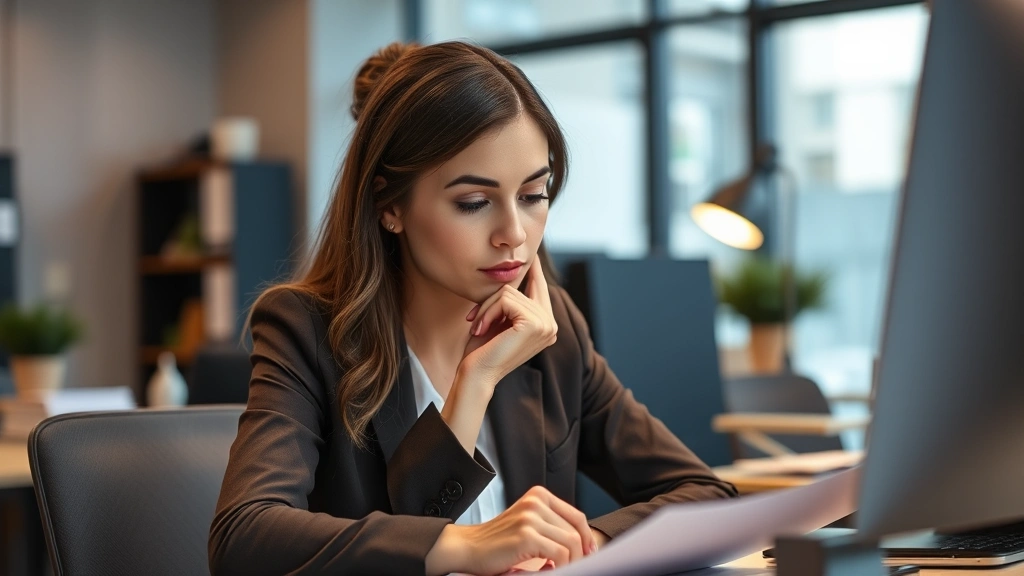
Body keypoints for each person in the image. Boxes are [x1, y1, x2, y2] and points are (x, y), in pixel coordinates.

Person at [209, 40, 737, 576]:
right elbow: (243, 538)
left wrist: (584, 544)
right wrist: (475, 388)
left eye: (533, 195)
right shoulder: (306, 331)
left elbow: (706, 495)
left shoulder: (552, 333)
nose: (514, 234)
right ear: (389, 205)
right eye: (474, 203)